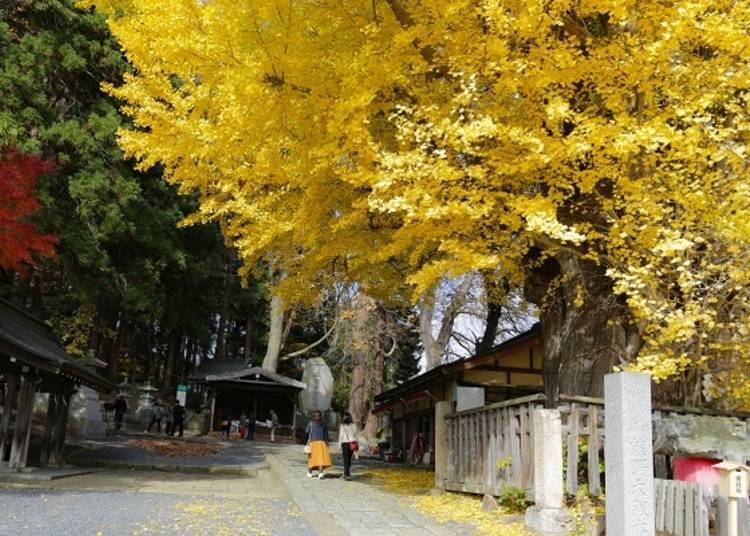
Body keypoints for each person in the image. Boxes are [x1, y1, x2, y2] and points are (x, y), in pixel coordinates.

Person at [305, 411, 331, 479]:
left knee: (315, 459)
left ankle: (317, 473)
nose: (317, 417)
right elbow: (326, 435)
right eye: (316, 416)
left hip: (316, 443)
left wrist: (327, 443)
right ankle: (316, 473)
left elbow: (306, 431)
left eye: (318, 416)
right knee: (317, 459)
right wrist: (327, 443)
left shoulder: (311, 423)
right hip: (317, 443)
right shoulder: (323, 424)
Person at [338, 413, 357, 481]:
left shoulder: (342, 425)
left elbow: (341, 436)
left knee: (346, 460)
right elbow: (355, 435)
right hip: (352, 443)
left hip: (345, 443)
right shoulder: (354, 425)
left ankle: (347, 475)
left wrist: (339, 445)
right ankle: (345, 473)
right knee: (348, 459)